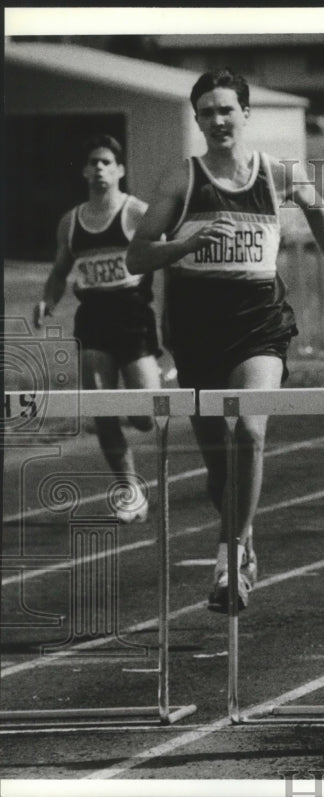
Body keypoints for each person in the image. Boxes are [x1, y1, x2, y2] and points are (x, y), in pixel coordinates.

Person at [126, 68, 324, 613]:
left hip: (260, 322)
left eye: (225, 110)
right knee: (219, 472)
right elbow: (136, 257)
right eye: (206, 112)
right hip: (196, 329)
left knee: (250, 433)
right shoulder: (180, 181)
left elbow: (321, 212)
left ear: (245, 114)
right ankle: (244, 536)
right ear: (197, 120)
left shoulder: (277, 174)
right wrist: (182, 244)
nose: (217, 120)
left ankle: (229, 559)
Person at [34, 134, 161, 524]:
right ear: (86, 170)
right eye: (94, 162)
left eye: (107, 161)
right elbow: (59, 272)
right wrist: (48, 301)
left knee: (145, 415)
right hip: (93, 316)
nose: (100, 168)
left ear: (120, 169)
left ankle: (155, 379)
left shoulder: (137, 212)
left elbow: (165, 259)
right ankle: (128, 489)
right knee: (100, 407)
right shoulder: (71, 222)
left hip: (133, 313)